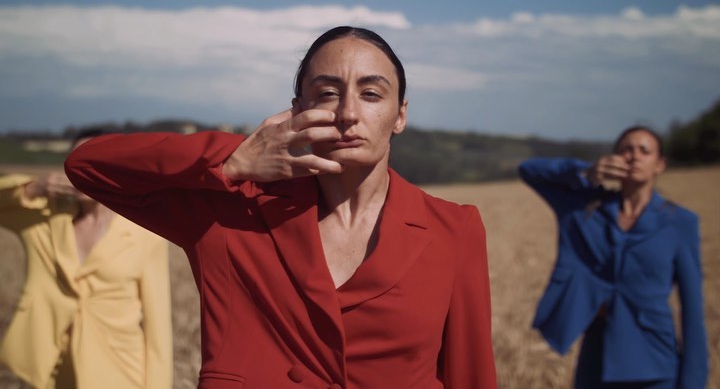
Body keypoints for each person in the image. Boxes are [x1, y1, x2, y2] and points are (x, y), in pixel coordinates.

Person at [65, 26, 497, 388]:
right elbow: (88, 165)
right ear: (298, 110)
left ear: (399, 115)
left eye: (370, 94)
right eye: (327, 93)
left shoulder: (453, 229)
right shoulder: (231, 211)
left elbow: (471, 375)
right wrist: (232, 161)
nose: (347, 112)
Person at [518, 126, 708, 388]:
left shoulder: (680, 223)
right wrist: (585, 172)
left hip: (655, 363)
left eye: (644, 151)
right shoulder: (584, 210)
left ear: (659, 164)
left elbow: (693, 310)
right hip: (597, 363)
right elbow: (529, 171)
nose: (634, 156)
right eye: (626, 149)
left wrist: (693, 383)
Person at [0, 129, 173, 389]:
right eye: (76, 163)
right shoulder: (45, 219)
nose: (82, 174)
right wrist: (33, 189)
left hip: (121, 374)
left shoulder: (146, 232)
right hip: (52, 374)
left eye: (93, 163)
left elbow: (158, 327)